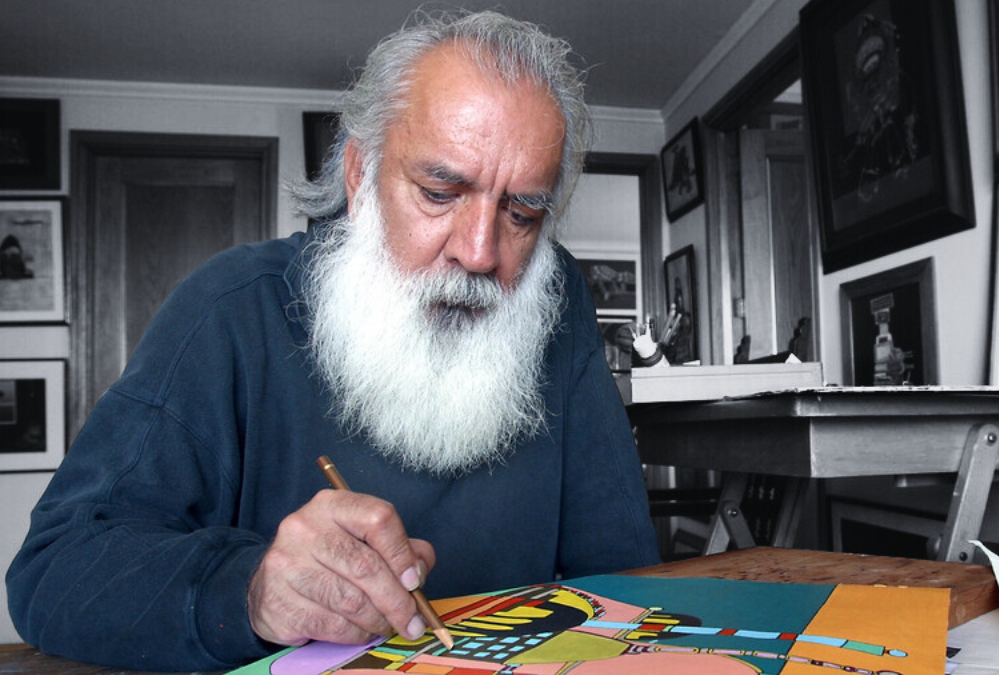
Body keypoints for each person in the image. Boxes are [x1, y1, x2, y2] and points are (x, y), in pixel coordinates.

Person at [6, 10, 659, 671]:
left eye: (521, 213)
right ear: (358, 174)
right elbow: (55, 570)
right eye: (440, 192)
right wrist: (251, 589)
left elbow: (625, 575)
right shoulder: (229, 308)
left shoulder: (557, 302)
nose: (480, 252)